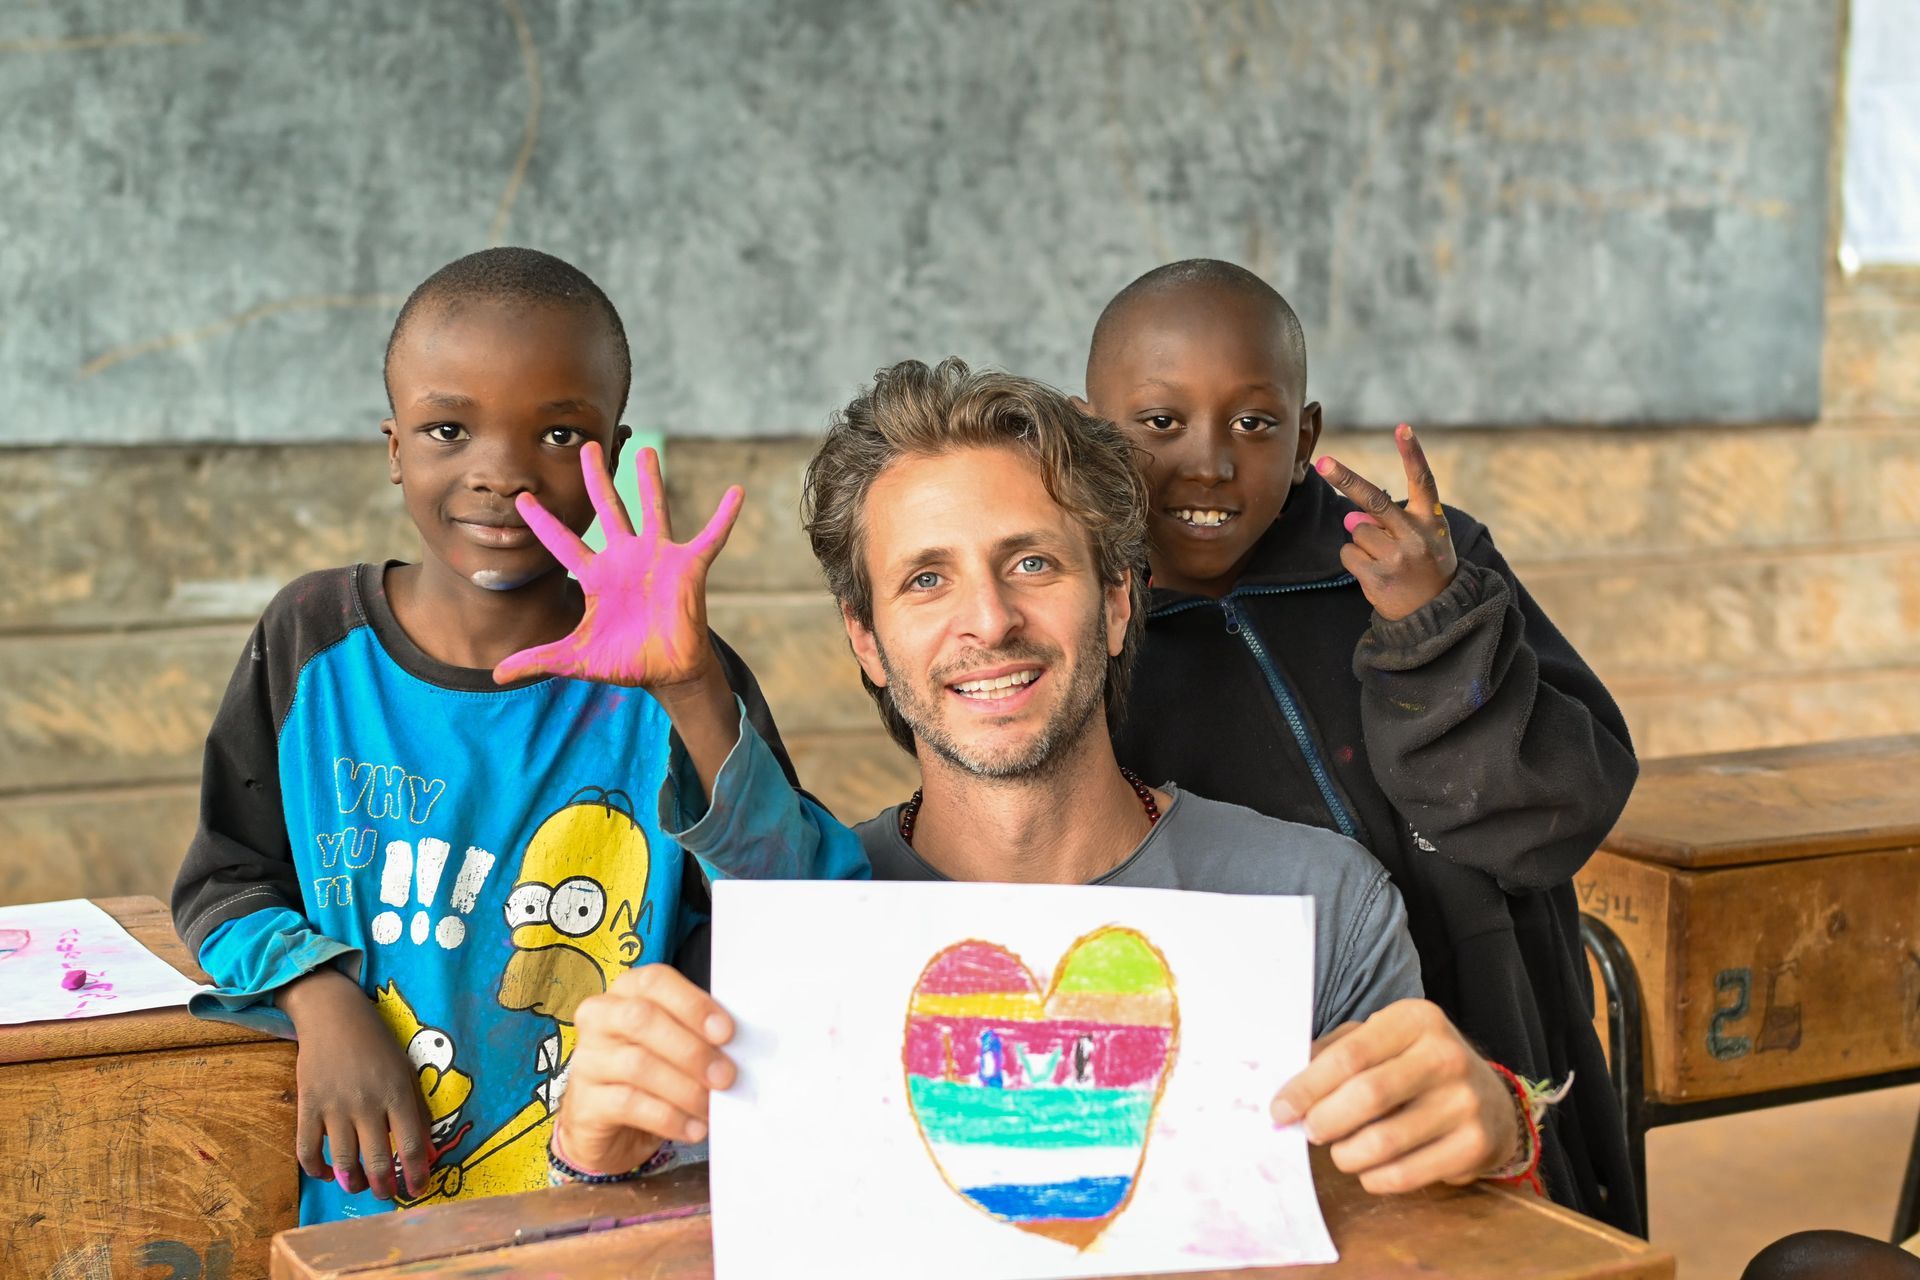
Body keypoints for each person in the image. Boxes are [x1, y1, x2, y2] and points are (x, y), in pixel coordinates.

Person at [551, 358, 1555, 1201]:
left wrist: (1500, 1138)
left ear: (1119, 602)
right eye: (926, 577)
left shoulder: (1317, 904)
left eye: (1031, 562)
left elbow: (1439, 1235)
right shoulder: (792, 935)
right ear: (868, 641)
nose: (987, 619)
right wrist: (589, 1160)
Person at [170, 247, 865, 1223]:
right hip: (377, 1229)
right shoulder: (312, 647)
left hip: (618, 1222)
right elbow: (223, 882)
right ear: (394, 446)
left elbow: (807, 917)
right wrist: (320, 997)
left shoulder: (669, 676)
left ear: (613, 453)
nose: (497, 471)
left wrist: (694, 685)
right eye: (448, 427)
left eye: (557, 432)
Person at [1074, 258, 1640, 1230]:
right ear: (1093, 431)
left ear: (1306, 437)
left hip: (1497, 1033)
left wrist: (1433, 630)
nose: (1208, 461)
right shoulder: (1075, 615)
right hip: (1258, 1094)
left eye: (1254, 422)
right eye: (1160, 422)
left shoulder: (1417, 559)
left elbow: (1564, 808)